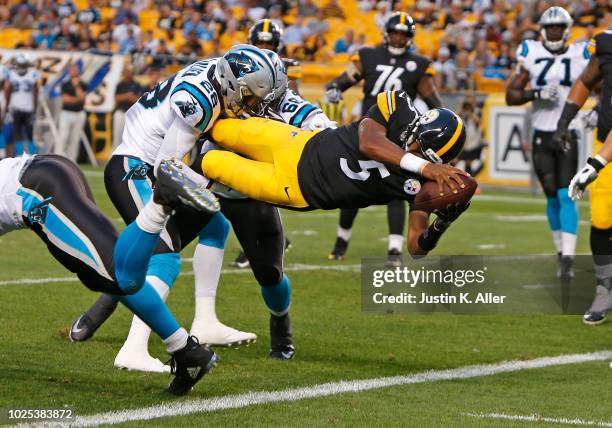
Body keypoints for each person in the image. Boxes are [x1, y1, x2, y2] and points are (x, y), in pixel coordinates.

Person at [69, 46, 279, 371]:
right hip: (135, 167)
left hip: (146, 162)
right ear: (231, 83)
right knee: (163, 255)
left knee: (216, 227)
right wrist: (221, 185)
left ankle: (205, 319)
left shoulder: (218, 77)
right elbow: (168, 171)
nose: (250, 106)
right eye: (249, 97)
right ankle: (134, 348)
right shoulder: (199, 100)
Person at [0, 153, 219, 395]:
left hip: (33, 188)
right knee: (102, 275)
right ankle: (186, 351)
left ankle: (161, 201)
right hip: (43, 172)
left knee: (118, 275)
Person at [200, 90, 470, 261]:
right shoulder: (399, 107)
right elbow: (369, 142)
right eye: (416, 141)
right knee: (218, 126)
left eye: (421, 152)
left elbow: (415, 248)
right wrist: (424, 165)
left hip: (296, 188)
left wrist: (440, 226)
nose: (411, 148)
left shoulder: (422, 185)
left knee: (210, 163)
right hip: (295, 143)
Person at [324, 12, 442, 266]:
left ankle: (394, 249)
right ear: (386, 33)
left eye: (404, 34)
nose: (399, 38)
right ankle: (341, 241)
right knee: (352, 184)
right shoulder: (368, 55)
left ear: (410, 37)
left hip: (399, 138)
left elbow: (434, 102)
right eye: (395, 33)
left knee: (398, 191)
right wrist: (333, 90)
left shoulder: (419, 64)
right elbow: (342, 81)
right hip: (369, 130)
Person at [506, 6, 590, 280]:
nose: (554, 31)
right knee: (552, 195)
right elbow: (511, 95)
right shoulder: (531, 52)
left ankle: (568, 257)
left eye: (558, 27)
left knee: (567, 194)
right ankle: (559, 251)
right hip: (541, 133)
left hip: (568, 132)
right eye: (550, 27)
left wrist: (595, 112)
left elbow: (600, 84)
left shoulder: (581, 53)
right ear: (543, 29)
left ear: (566, 30)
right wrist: (535, 92)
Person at [553, 26, 612, 325]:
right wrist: (564, 120)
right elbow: (586, 79)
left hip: (605, 153)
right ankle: (604, 289)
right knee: (602, 219)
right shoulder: (605, 43)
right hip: (607, 146)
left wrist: (596, 163)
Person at [4, 54, 39, 157]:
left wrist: (34, 107)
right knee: (17, 133)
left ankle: (32, 155)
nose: (21, 67)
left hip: (28, 108)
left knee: (29, 134)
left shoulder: (32, 74)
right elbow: (8, 90)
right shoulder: (11, 74)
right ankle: (20, 154)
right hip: (16, 107)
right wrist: (7, 106)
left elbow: (35, 92)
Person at [55, 63, 86, 162]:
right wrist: (77, 99)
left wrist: (76, 86)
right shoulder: (65, 84)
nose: (74, 71)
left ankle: (72, 161)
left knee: (75, 140)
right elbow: (65, 100)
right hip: (66, 113)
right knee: (63, 137)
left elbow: (82, 98)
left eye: (75, 69)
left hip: (79, 113)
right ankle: (58, 160)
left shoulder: (83, 84)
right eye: (72, 69)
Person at [113, 64, 142, 149]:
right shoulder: (120, 84)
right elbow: (116, 100)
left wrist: (131, 98)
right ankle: (114, 159)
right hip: (120, 112)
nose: (128, 73)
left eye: (130, 71)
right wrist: (126, 96)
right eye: (127, 71)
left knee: (130, 139)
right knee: (117, 138)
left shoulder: (137, 85)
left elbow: (140, 100)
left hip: (132, 114)